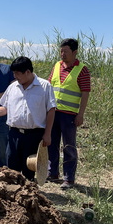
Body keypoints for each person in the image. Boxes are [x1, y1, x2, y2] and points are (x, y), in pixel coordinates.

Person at [0, 56, 56, 181]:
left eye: (18, 73)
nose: (15, 76)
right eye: (14, 73)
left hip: (34, 135)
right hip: (14, 134)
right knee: (11, 167)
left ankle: (27, 194)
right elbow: (5, 107)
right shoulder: (13, 87)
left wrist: (48, 133)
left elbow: (51, 110)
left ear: (28, 72)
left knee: (29, 168)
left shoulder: (45, 86)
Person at [47, 38, 91, 190]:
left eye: (65, 51)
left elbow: (85, 93)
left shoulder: (82, 70)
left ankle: (69, 178)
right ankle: (52, 173)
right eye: (61, 51)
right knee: (51, 143)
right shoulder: (57, 66)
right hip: (53, 112)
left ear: (75, 52)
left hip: (69, 115)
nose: (62, 54)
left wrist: (80, 114)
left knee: (68, 146)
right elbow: (49, 86)